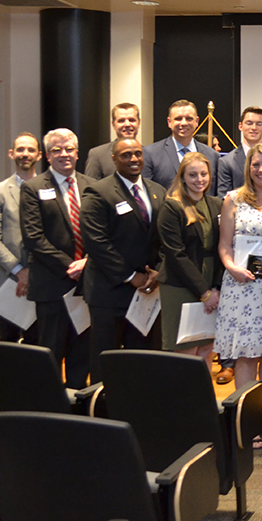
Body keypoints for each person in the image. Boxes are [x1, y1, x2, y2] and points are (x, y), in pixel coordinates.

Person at [215, 144, 262, 449]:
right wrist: (231, 268)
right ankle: (246, 421)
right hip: (241, 287)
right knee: (244, 354)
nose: (261, 170)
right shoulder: (233, 199)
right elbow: (224, 245)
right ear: (248, 167)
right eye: (256, 164)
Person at [80, 138, 166, 383]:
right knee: (105, 361)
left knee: (143, 361)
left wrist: (157, 271)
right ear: (114, 159)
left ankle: (140, 413)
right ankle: (101, 413)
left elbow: (165, 238)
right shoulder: (98, 192)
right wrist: (131, 276)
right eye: (126, 155)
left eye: (138, 154)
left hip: (147, 292)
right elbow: (96, 243)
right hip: (109, 293)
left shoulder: (158, 191)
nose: (134, 159)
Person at [19, 128, 91, 388]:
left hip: (86, 286)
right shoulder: (32, 188)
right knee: (50, 353)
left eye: (69, 149)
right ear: (47, 156)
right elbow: (33, 238)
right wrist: (70, 266)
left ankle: (78, 406)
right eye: (57, 150)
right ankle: (50, 413)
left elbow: (100, 233)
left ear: (77, 153)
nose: (64, 154)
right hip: (52, 286)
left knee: (82, 354)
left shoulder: (91, 185)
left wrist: (88, 263)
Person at [156, 152, 223, 362]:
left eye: (204, 174)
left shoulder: (216, 204)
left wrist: (215, 288)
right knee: (185, 352)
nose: (199, 179)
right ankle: (181, 396)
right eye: (193, 175)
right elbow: (175, 254)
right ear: (182, 176)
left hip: (211, 282)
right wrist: (204, 292)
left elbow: (223, 247)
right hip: (180, 285)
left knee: (206, 348)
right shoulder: (171, 207)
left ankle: (202, 396)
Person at [0, 132, 40, 341]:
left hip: (42, 279)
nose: (25, 154)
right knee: (8, 343)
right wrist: (19, 271)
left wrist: (32, 272)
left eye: (31, 150)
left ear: (39, 155)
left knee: (39, 343)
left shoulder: (48, 189)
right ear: (11, 154)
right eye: (20, 149)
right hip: (7, 279)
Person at [142, 100, 220, 195]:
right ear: (169, 122)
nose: (183, 123)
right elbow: (146, 193)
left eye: (189, 119)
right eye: (178, 119)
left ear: (197, 121)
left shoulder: (213, 156)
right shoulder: (150, 154)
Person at [216, 106, 262, 198]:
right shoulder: (226, 162)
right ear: (240, 126)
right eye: (249, 123)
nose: (254, 128)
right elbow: (223, 198)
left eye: (259, 124)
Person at [85, 103, 140, 180]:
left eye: (132, 120)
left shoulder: (148, 154)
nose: (127, 124)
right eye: (121, 121)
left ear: (139, 123)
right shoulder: (97, 155)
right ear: (113, 124)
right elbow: (90, 187)